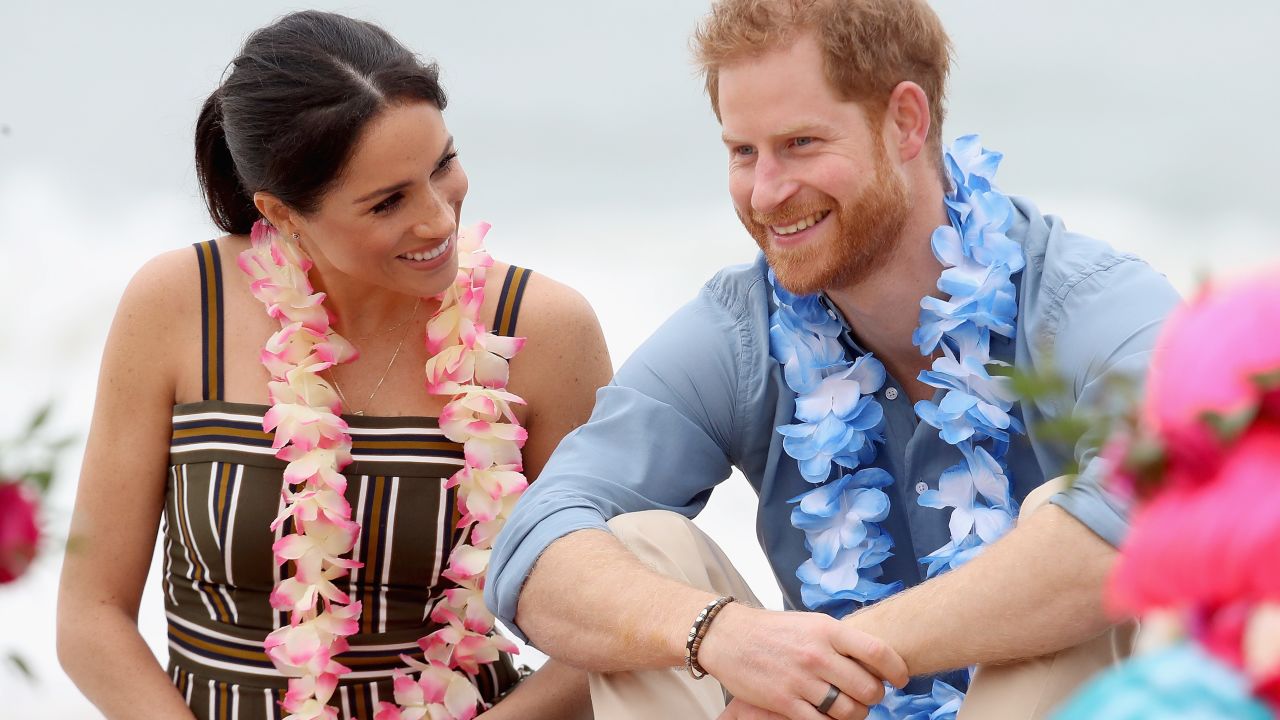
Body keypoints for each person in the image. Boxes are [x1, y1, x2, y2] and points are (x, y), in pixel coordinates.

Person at [487, 1, 1180, 719]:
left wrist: (833, 658)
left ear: (905, 122)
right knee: (640, 544)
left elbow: (1165, 500)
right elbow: (537, 547)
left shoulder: (1084, 301)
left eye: (801, 143)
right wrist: (720, 637)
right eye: (742, 152)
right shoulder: (739, 330)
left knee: (1069, 545)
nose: (765, 193)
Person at [56, 11, 609, 720]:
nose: (439, 218)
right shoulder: (176, 305)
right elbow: (90, 616)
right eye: (388, 202)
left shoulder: (544, 330)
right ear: (282, 215)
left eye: (442, 163)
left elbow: (618, 621)